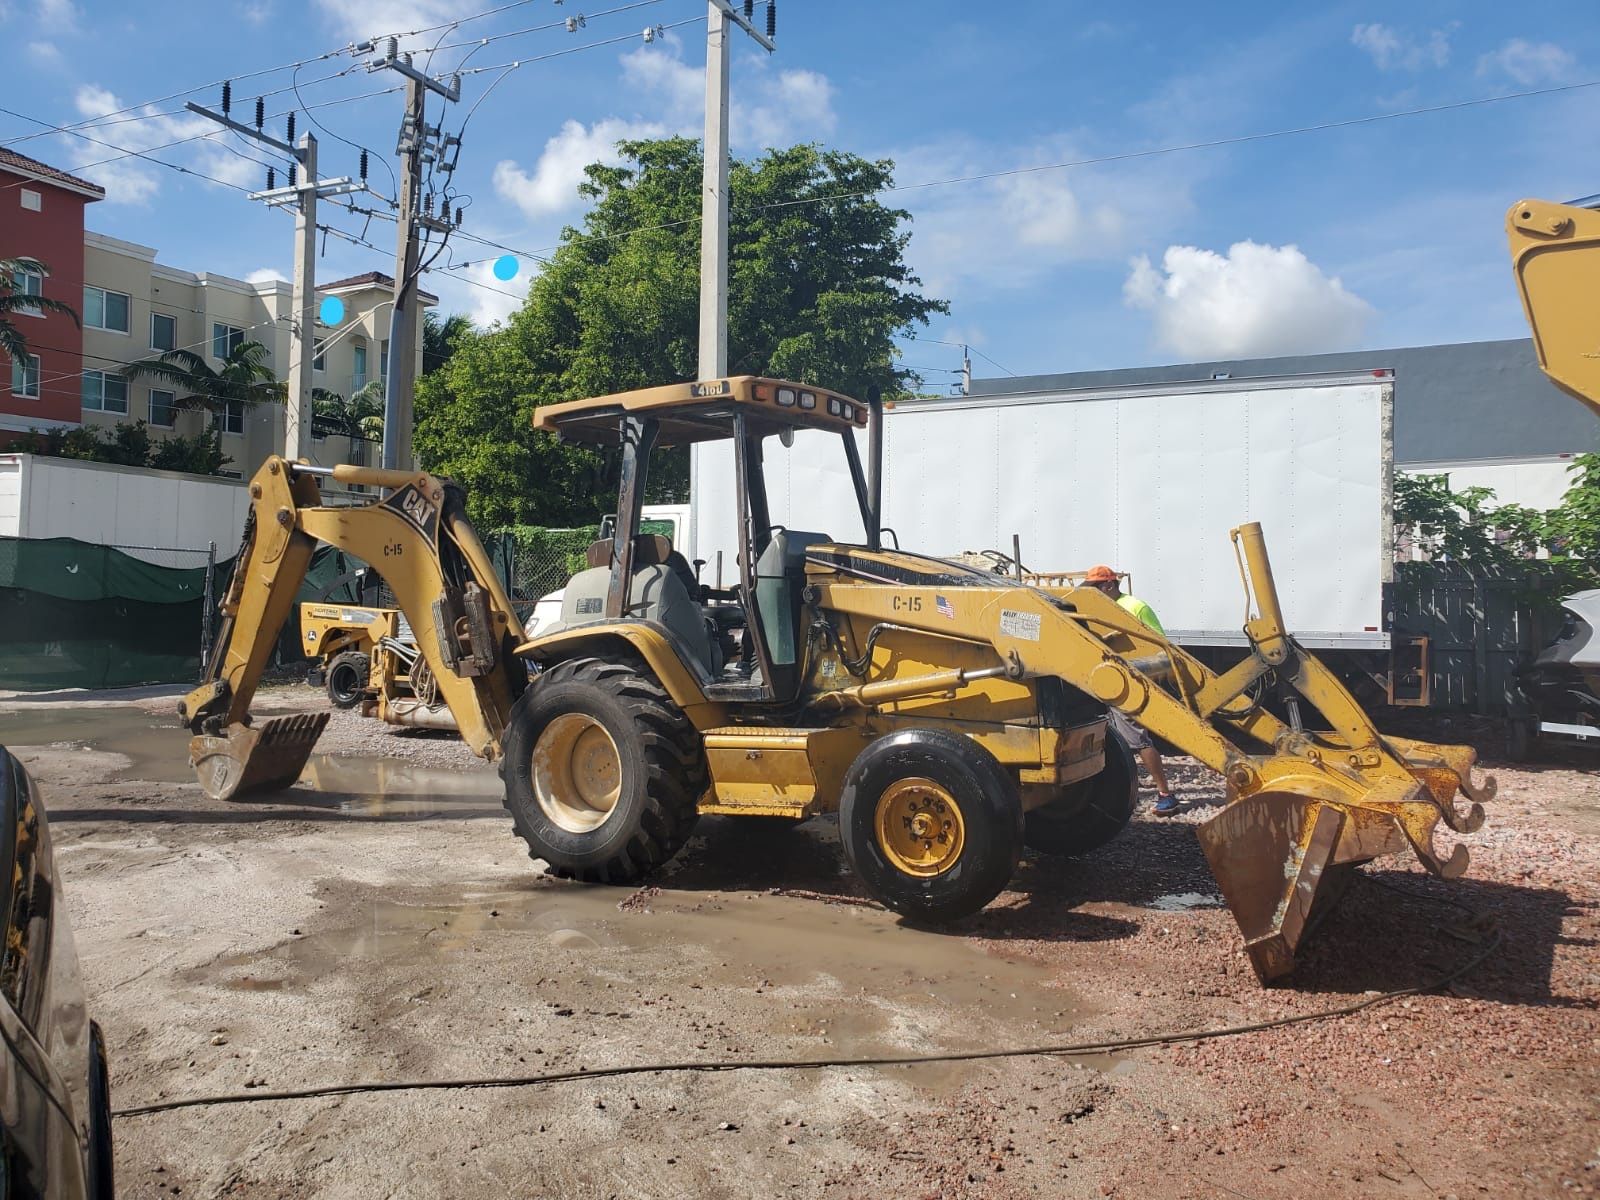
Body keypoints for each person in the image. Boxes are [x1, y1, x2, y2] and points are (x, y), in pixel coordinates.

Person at [1083, 564, 1178, 815]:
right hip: (1107, 678)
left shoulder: (1135, 607)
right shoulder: (1102, 608)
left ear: (1110, 585)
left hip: (1128, 680)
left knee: (1137, 739)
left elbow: (1158, 644)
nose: (1093, 593)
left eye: (1096, 588)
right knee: (1113, 738)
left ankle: (1165, 794)